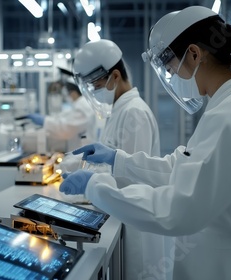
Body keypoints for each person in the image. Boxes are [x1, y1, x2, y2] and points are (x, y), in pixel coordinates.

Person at [60, 6, 231, 280]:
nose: (171, 77)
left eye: (169, 67)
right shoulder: (227, 108)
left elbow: (178, 210)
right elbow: (182, 168)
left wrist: (95, 187)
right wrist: (119, 159)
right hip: (213, 259)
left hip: (225, 267)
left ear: (195, 54)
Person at [72, 39, 173, 280]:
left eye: (96, 85)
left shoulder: (134, 113)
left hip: (134, 226)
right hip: (120, 217)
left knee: (137, 272)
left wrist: (92, 182)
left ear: (114, 76)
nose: (95, 92)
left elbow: (129, 179)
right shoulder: (119, 110)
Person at [21, 79, 97, 151]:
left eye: (67, 95)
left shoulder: (83, 106)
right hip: (78, 149)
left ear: (73, 93)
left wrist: (44, 121)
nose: (66, 98)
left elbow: (66, 128)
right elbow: (63, 118)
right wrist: (46, 120)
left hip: (82, 151)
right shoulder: (79, 105)